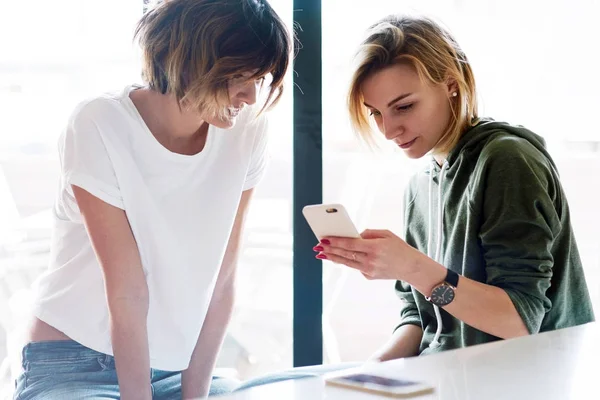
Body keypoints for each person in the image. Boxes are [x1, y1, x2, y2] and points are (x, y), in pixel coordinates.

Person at [13, 0, 291, 399]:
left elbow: (222, 281)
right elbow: (127, 292)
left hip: (177, 367)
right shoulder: (100, 124)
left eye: (260, 78)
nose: (249, 96)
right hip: (73, 363)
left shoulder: (247, 132)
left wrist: (193, 394)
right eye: (238, 77)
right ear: (190, 61)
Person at [313, 14, 595, 361]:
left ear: (451, 83)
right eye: (375, 113)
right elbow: (420, 319)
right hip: (451, 379)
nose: (388, 131)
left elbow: (520, 321)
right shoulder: (419, 185)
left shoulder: (507, 159)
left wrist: (411, 266)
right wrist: (369, 373)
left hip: (527, 381)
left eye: (404, 107)